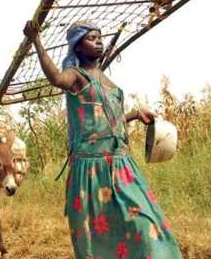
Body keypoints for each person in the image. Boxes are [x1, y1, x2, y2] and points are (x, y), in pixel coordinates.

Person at [23, 20, 182, 258]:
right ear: (78, 47)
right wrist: (36, 40)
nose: (98, 42)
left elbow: (108, 118)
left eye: (99, 38)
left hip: (121, 165)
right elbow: (56, 78)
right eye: (91, 38)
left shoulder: (106, 80)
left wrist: (135, 115)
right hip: (91, 169)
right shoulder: (76, 75)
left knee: (146, 223)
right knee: (94, 239)